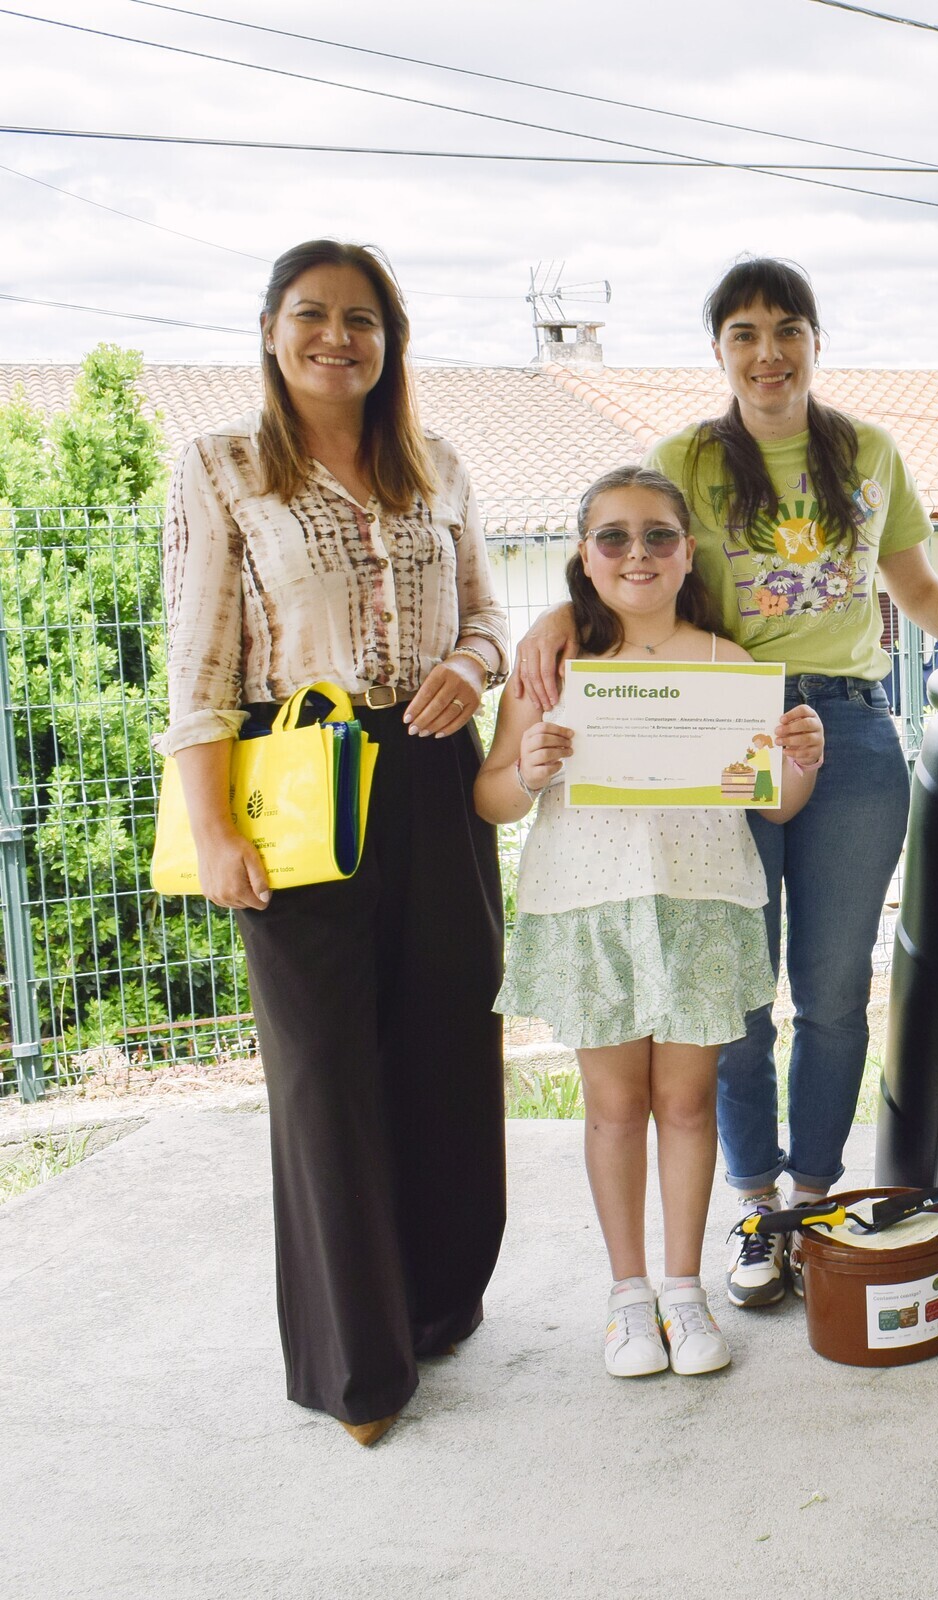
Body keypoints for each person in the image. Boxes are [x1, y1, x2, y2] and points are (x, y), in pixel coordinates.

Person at [513, 258, 938, 1308]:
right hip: (728, 721)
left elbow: (912, 583)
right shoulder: (685, 454)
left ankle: (813, 1200)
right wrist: (554, 616)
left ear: (816, 342)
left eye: (786, 329)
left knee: (830, 989)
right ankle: (753, 1202)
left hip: (854, 731)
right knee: (733, 983)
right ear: (719, 350)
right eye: (743, 332)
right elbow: (630, 553)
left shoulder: (869, 451)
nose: (767, 351)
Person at [160, 240, 510, 1446]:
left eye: (362, 318)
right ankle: (356, 1371)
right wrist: (212, 831)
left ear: (388, 339)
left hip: (430, 774)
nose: (337, 338)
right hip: (295, 777)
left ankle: (438, 1301)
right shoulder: (221, 470)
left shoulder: (439, 463)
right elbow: (198, 665)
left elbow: (487, 609)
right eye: (312, 315)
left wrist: (472, 667)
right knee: (326, 1072)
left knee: (448, 1039)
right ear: (270, 331)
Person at [479, 467, 824, 1377]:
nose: (639, 554)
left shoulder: (730, 667)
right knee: (615, 1106)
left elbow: (775, 807)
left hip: (700, 905)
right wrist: (534, 769)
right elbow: (492, 800)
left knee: (685, 1102)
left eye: (659, 536)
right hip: (591, 909)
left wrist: (802, 762)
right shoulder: (550, 669)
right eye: (615, 537)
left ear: (688, 553)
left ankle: (684, 1290)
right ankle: (627, 1297)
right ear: (583, 559)